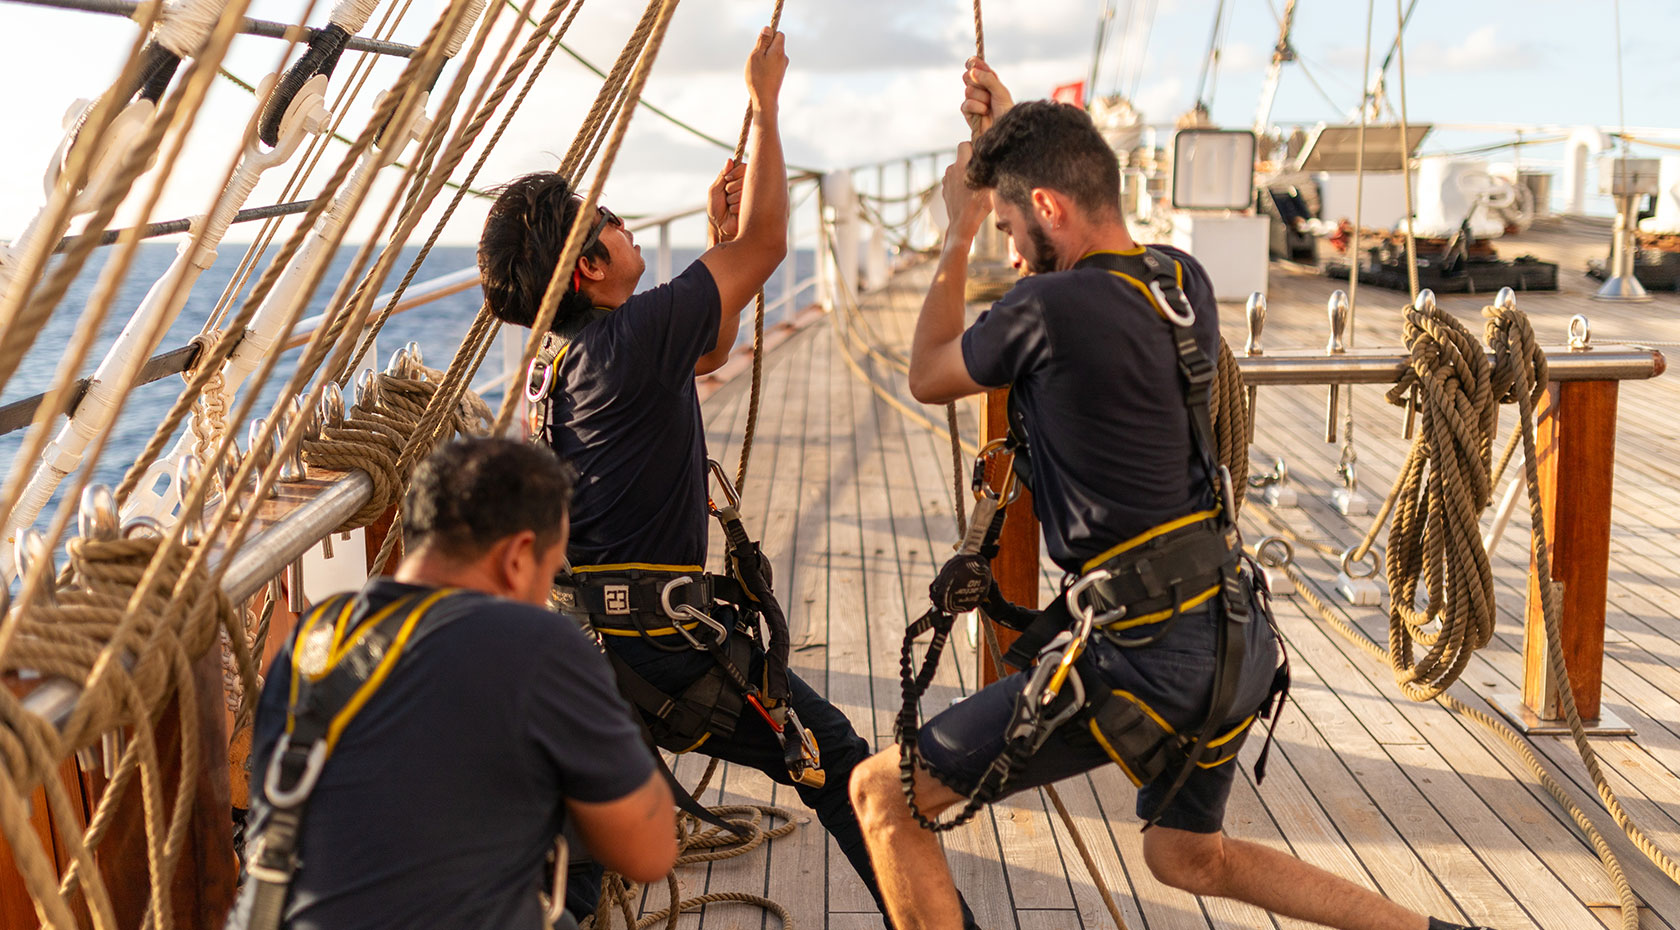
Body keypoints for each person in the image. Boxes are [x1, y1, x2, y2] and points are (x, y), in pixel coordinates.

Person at [846, 60, 1498, 930]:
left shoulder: (1044, 313)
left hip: (1143, 650)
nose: (1007, 249)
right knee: (1186, 854)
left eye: (1010, 224)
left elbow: (931, 372)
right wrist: (1012, 142)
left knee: (882, 795)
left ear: (1046, 207)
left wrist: (959, 229)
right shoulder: (1179, 279)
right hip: (1232, 634)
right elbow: (1090, 264)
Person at [477, 28, 976, 930]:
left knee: (584, 862)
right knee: (838, 763)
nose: (629, 227)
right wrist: (766, 105)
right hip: (659, 646)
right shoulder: (626, 342)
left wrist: (716, 239)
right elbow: (774, 241)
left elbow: (710, 350)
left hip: (594, 647)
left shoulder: (568, 361)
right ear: (590, 268)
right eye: (613, 222)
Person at [230, 438, 673, 930]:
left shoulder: (312, 643)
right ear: (519, 557)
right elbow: (649, 853)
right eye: (548, 576)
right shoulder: (538, 644)